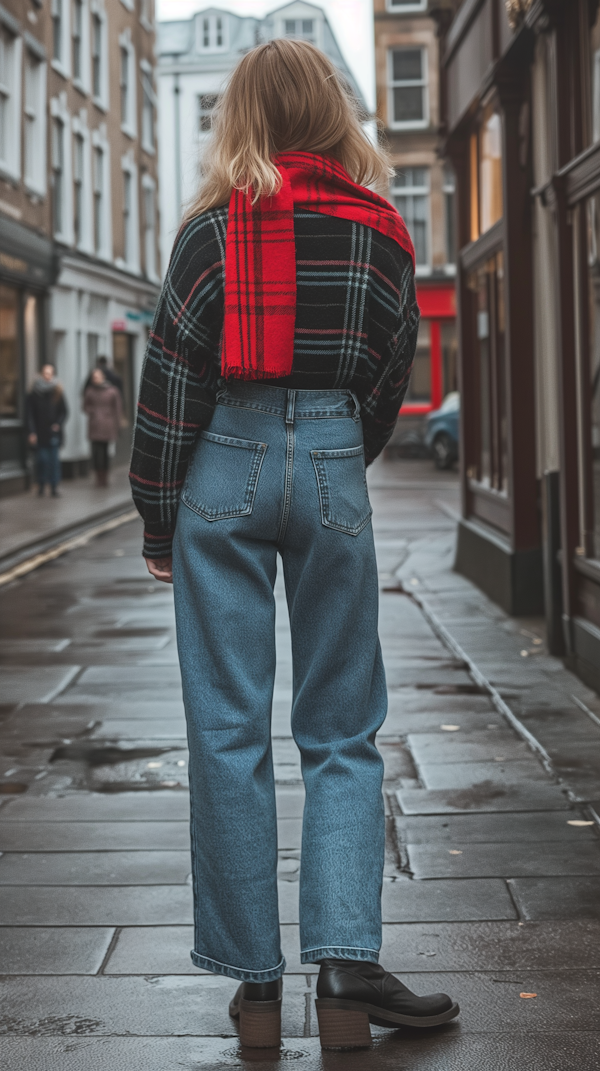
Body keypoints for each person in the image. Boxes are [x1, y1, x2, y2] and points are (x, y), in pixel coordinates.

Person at [130, 39, 459, 1053]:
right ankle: (348, 976)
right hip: (327, 453)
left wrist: (158, 517)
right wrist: (332, 460)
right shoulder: (382, 232)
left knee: (227, 734)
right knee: (343, 729)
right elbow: (389, 378)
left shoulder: (209, 233)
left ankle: (258, 994)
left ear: (243, 118)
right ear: (332, 113)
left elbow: (170, 382)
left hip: (220, 458)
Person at [26, 364, 68, 497]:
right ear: (41, 374)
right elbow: (30, 414)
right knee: (42, 461)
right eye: (45, 373)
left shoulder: (58, 392)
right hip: (39, 432)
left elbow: (64, 411)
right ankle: (41, 486)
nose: (47, 376)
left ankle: (54, 487)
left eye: (50, 373)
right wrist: (32, 432)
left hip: (53, 433)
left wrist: (58, 424)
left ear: (53, 375)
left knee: (53, 462)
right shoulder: (34, 393)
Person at [83, 368, 122, 487]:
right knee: (96, 453)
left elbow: (117, 408)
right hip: (94, 425)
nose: (96, 379)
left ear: (103, 377)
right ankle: (98, 477)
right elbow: (85, 406)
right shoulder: (90, 391)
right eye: (94, 377)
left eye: (98, 376)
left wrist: (117, 423)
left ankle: (104, 477)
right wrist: (93, 411)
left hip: (107, 425)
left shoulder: (112, 391)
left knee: (104, 452)